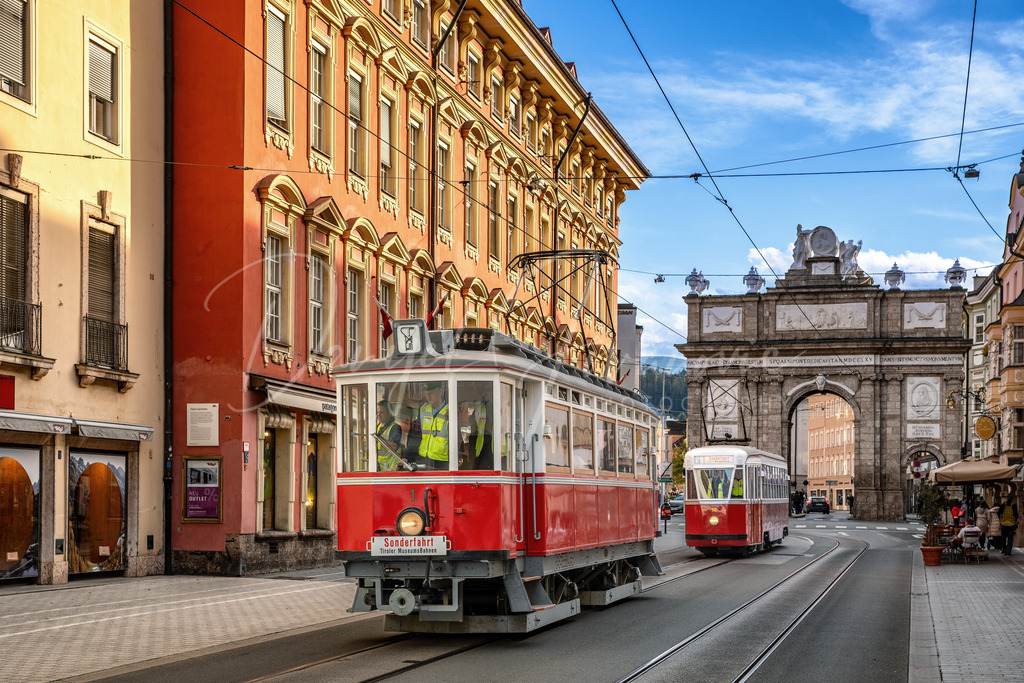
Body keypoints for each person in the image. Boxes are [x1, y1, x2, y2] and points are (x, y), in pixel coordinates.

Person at [418, 381, 450, 469]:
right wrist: (407, 456)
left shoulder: (450, 410)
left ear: (440, 391)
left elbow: (457, 438)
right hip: (424, 459)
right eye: (426, 394)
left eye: (431, 393)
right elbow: (416, 435)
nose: (428, 397)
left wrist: (458, 455)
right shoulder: (423, 409)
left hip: (444, 461)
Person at [375, 401, 405, 471]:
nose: (378, 415)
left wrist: (378, 438)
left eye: (381, 412)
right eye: (377, 412)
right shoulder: (377, 427)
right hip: (380, 469)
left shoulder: (395, 428)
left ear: (389, 413)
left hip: (391, 469)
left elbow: (394, 447)